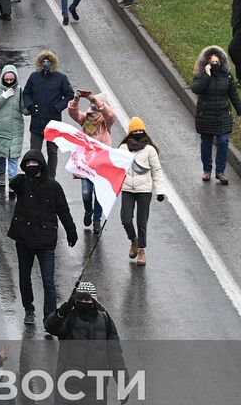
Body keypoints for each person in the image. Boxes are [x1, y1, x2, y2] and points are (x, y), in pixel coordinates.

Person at [7, 151, 76, 326]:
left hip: (46, 242)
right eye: (27, 164)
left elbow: (63, 211)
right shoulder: (22, 183)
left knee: (48, 282)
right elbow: (12, 184)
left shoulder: (53, 186)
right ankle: (29, 310)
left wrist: (71, 231)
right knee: (24, 278)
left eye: (34, 163)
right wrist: (21, 177)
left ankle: (49, 317)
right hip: (24, 240)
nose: (31, 166)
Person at [191, 45, 241, 185]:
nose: (214, 64)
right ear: (207, 62)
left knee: (223, 141)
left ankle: (220, 171)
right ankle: (207, 170)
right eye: (211, 61)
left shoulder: (226, 75)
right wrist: (207, 76)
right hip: (206, 115)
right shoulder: (201, 73)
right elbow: (196, 89)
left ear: (221, 61)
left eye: (217, 61)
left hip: (222, 114)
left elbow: (233, 93)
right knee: (206, 143)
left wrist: (240, 110)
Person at [119, 116, 165, 267]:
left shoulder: (150, 150)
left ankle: (141, 250)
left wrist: (159, 191)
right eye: (135, 132)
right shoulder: (123, 148)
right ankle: (133, 240)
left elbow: (156, 171)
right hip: (127, 189)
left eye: (140, 131)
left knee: (141, 221)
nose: (138, 134)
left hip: (144, 190)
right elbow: (117, 168)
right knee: (126, 219)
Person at [66, 92, 116, 229]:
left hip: (101, 163)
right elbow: (73, 113)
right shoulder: (85, 119)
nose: (93, 107)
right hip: (87, 163)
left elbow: (111, 115)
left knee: (99, 194)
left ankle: (97, 220)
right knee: (86, 193)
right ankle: (88, 211)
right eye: (92, 104)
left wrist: (94, 98)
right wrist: (76, 99)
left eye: (96, 104)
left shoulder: (106, 122)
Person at [21, 49, 73, 172]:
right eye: (43, 61)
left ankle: (51, 177)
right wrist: (30, 106)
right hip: (37, 120)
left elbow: (69, 94)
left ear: (52, 62)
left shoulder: (60, 77)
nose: (46, 63)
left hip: (53, 122)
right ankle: (34, 174)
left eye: (48, 61)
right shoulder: (34, 76)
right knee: (34, 152)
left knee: (52, 151)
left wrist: (58, 107)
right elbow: (26, 93)